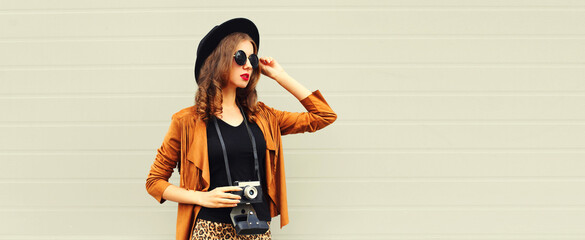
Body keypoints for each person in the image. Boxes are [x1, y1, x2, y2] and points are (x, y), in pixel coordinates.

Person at [145, 17, 337, 240]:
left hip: (256, 230)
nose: (248, 64)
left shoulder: (264, 117)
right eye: (240, 57)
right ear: (219, 60)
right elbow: (154, 182)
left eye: (252, 58)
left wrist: (279, 75)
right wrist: (201, 198)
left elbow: (323, 115)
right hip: (210, 230)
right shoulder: (186, 121)